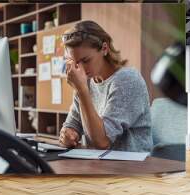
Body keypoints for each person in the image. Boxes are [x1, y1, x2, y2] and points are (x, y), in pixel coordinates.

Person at [59, 20, 153, 152]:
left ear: (104, 48)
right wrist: (68, 135)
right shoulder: (86, 81)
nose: (79, 69)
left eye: (85, 60)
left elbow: (102, 142)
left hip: (131, 167)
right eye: (74, 62)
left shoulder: (127, 80)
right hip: (97, 164)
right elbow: (72, 124)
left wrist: (81, 90)